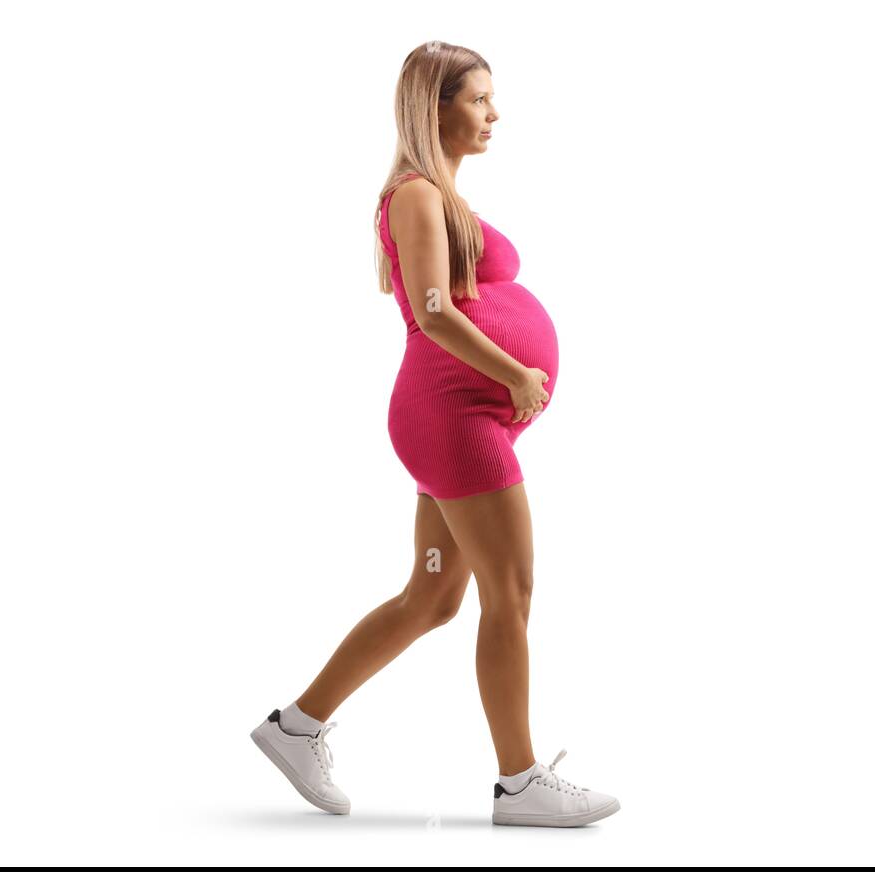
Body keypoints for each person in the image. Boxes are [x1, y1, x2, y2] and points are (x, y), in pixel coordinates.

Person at [250, 41, 620, 828]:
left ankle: (297, 727)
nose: (493, 113)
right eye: (478, 99)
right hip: (455, 417)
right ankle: (520, 783)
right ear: (435, 106)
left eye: (491, 98)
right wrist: (519, 376)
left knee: (431, 596)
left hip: (450, 416)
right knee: (509, 592)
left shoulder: (436, 193)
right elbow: (433, 312)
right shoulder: (416, 193)